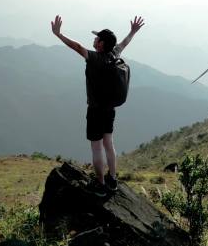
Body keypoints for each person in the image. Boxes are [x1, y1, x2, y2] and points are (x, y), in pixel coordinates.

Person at [51, 15, 144, 196]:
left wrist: (58, 35)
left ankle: (100, 185)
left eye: (97, 38)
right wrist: (133, 31)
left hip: (95, 110)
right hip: (109, 109)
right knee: (109, 143)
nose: (94, 39)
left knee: (96, 147)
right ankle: (113, 179)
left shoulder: (95, 58)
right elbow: (124, 43)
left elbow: (77, 47)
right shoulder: (113, 54)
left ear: (101, 44)